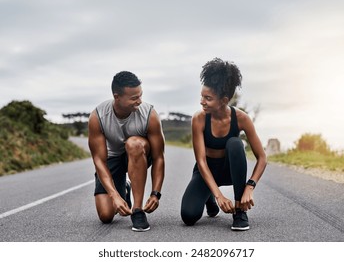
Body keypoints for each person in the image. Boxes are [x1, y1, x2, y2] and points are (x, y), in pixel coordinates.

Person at [181, 58, 267, 231]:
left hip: (230, 170)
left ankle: (239, 211)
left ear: (223, 100)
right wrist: (219, 196)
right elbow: (201, 161)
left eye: (208, 98)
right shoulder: (199, 119)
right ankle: (210, 198)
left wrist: (250, 186)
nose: (202, 102)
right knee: (188, 216)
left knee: (236, 144)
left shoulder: (242, 118)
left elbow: (262, 158)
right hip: (207, 170)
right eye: (201, 96)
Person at [88, 71, 165, 232]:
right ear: (117, 97)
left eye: (140, 95)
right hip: (113, 158)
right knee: (106, 215)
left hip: (139, 154)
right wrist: (114, 195)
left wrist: (155, 194)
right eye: (134, 98)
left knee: (134, 144)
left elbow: (158, 157)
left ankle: (137, 210)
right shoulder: (98, 117)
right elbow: (99, 161)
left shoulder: (149, 114)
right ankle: (124, 188)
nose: (139, 101)